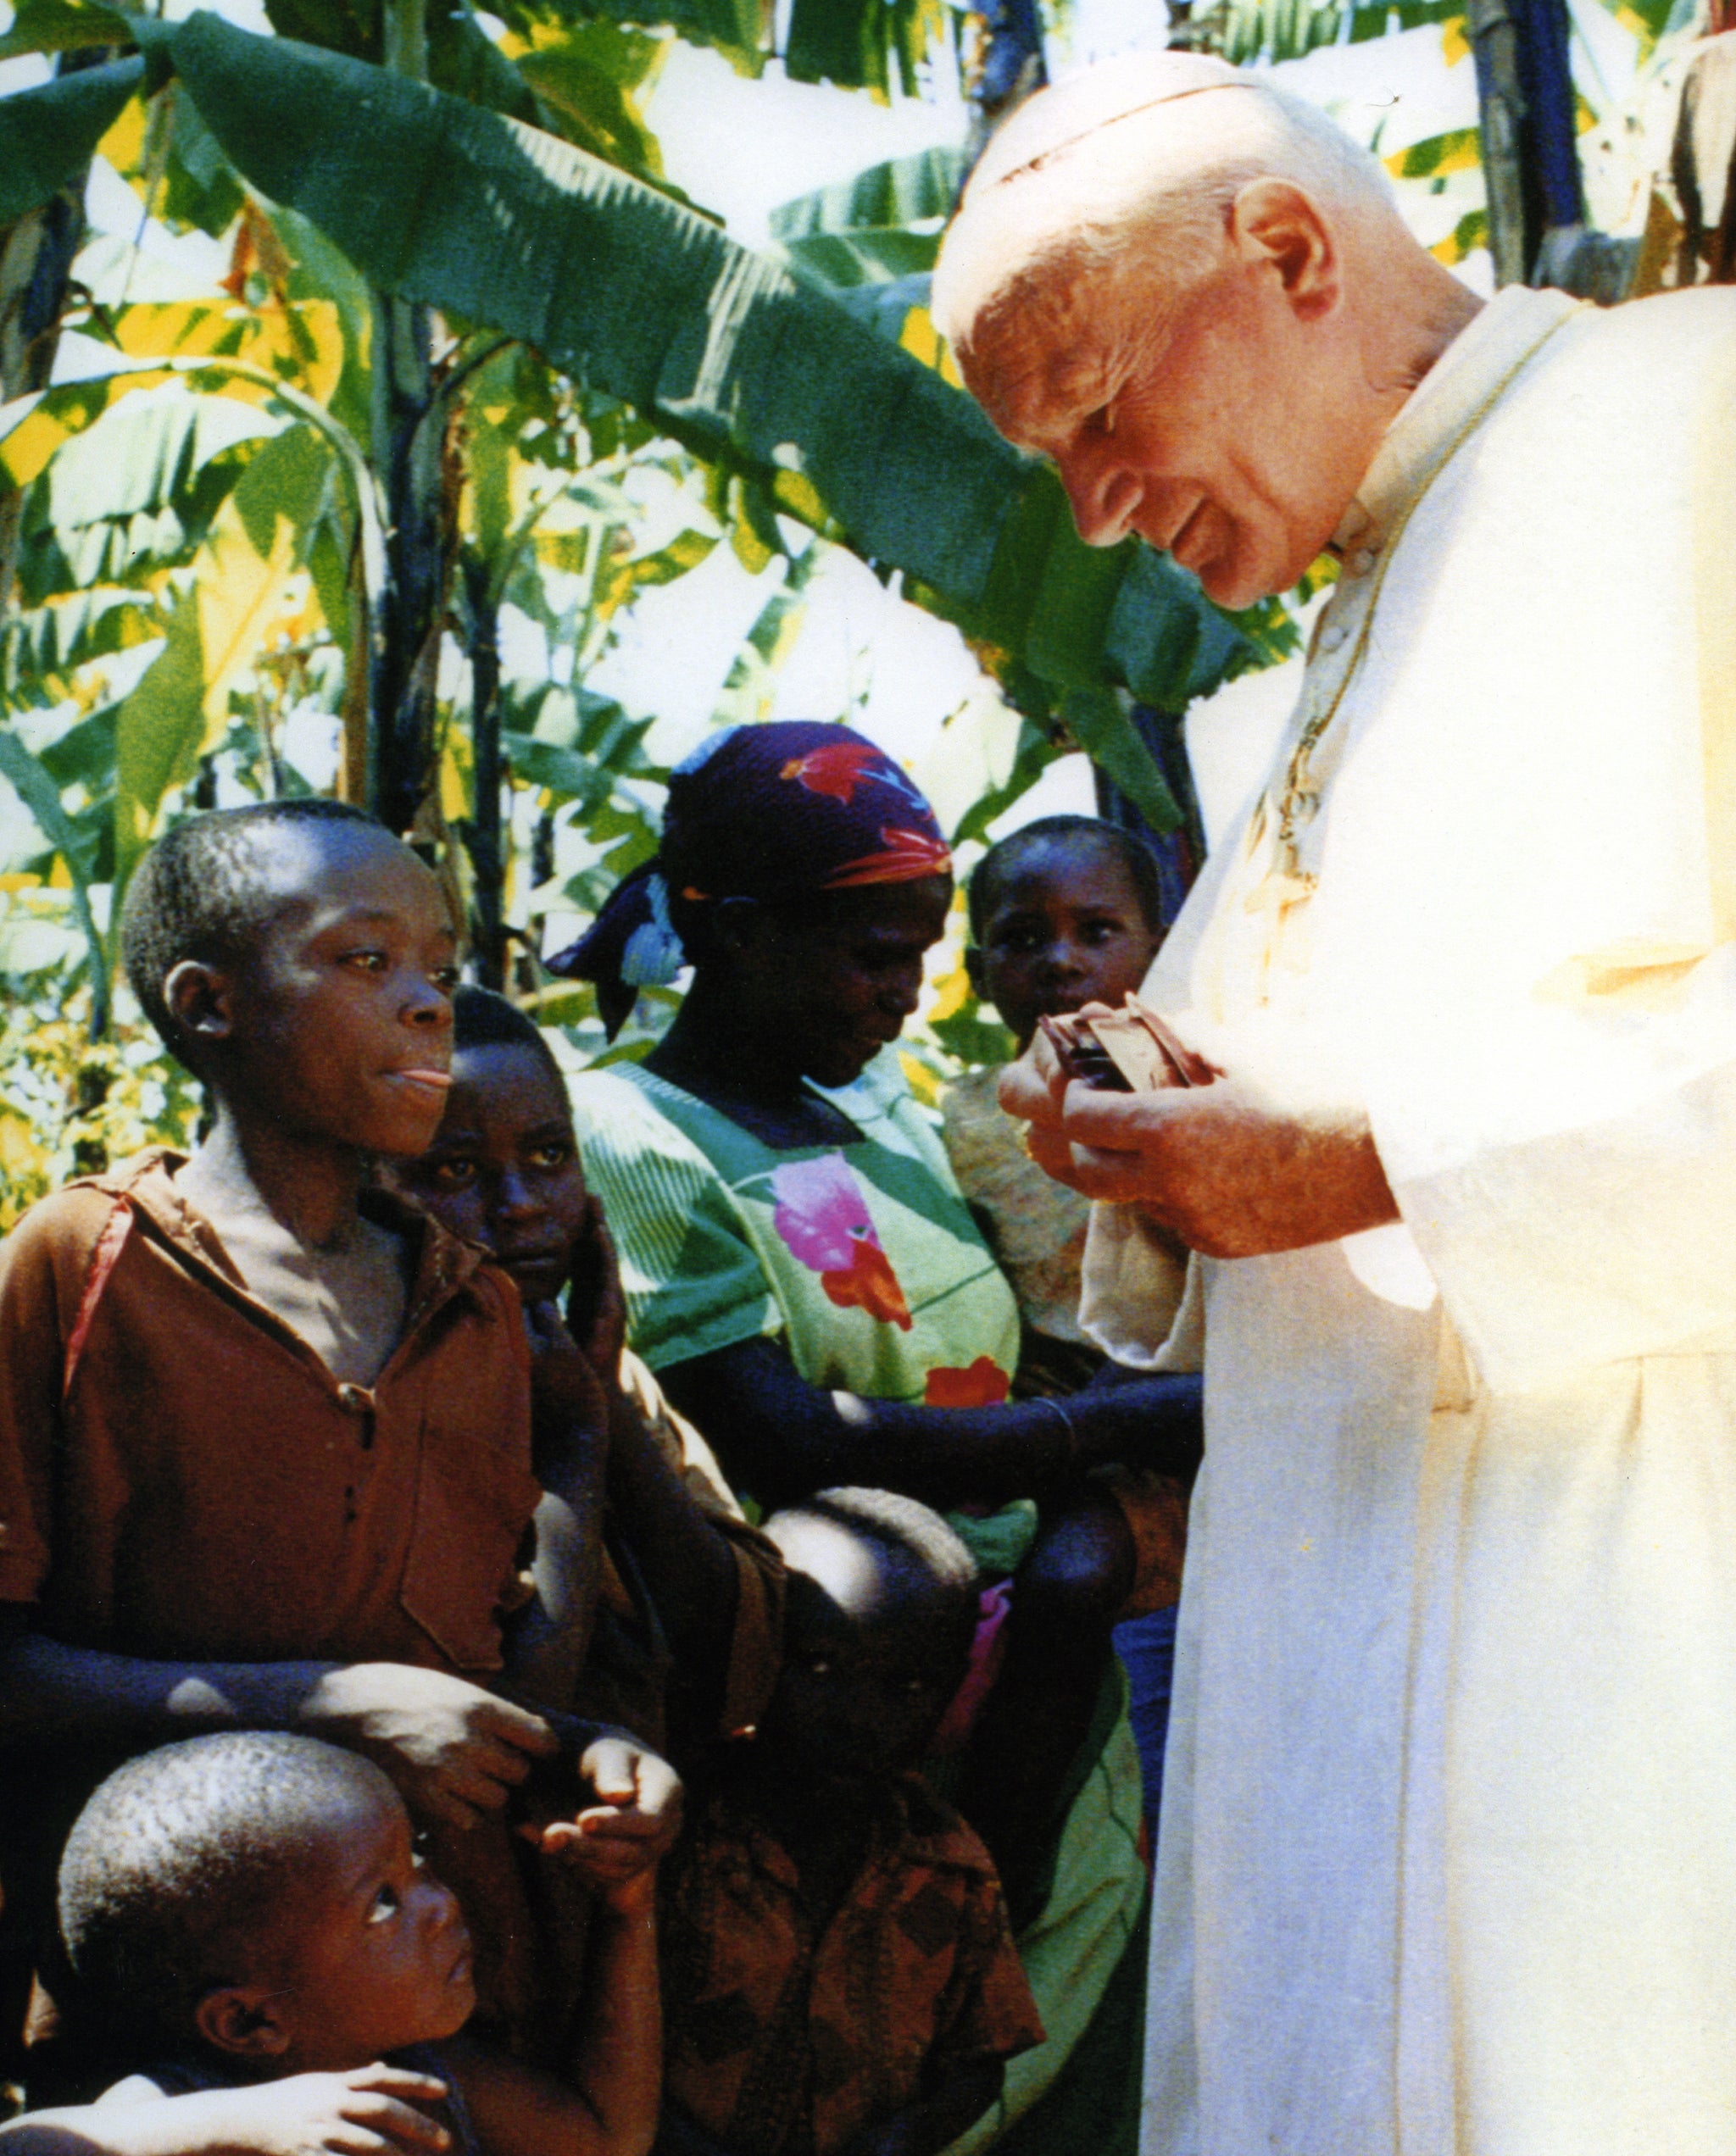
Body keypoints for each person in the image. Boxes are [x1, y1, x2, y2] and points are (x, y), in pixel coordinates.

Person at [933, 47, 1736, 2156]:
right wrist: (1150, 1122)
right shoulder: (1320, 642)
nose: (1091, 508)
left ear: (1283, 248)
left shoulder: (1693, 419)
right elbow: (1279, 1146)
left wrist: (1371, 1156)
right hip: (1317, 1682)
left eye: (1100, 414)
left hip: (1617, 1677)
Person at [558, 722, 1199, 2153]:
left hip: (1040, 1655)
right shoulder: (632, 1130)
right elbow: (775, 1427)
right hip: (859, 1698)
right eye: (867, 953)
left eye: (918, 951)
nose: (904, 992)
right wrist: (1109, 1425)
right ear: (726, 932)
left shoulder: (880, 1103)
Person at [0, 801, 676, 2079]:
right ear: (209, 1004)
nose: (428, 1006)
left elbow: (500, 1692)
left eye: (440, 967)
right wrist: (321, 1710)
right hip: (181, 2030)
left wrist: (601, 1762)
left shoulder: (468, 1305)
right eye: (368, 962)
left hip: (433, 2002)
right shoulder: (88, 1269)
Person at [382, 985, 787, 1754]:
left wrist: (600, 1397)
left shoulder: (595, 1363)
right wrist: (574, 1433)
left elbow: (733, 1649)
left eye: (548, 1155)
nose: (521, 1205)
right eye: (455, 1171)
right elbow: (517, 1710)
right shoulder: (376, 1394)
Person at [1, 1731, 659, 2156]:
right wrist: (230, 2124)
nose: (441, 1903)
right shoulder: (174, 2109)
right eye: (383, 1901)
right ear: (249, 2020)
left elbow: (604, 2137)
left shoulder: (429, 2077)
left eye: (418, 1860)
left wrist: (627, 1916)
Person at [655, 1489, 1045, 2156]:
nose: (859, 1716)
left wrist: (902, 2141)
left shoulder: (949, 1864)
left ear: (955, 1688)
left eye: (909, 1687)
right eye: (820, 1667)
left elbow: (979, 2055)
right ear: (756, 1651)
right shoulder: (677, 1838)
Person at [943, 818, 1196, 1838]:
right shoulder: (964, 1123)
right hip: (1062, 1444)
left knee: (1081, 1587)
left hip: (1189, 1425)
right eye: (1021, 937)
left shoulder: (1199, 1095)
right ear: (975, 969)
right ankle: (1011, 1844)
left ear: (1158, 942)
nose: (1061, 960)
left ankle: (1009, 1841)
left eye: (1097, 929)